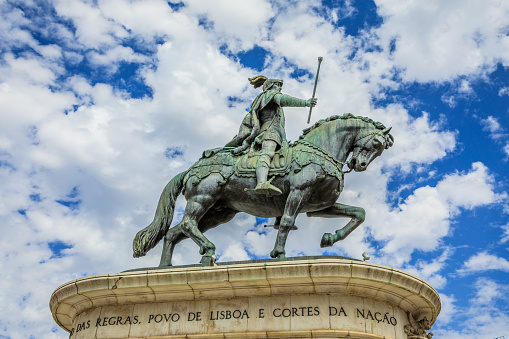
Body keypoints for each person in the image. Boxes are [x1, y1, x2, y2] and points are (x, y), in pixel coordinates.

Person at [225, 75, 317, 196]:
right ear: (270, 86)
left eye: (280, 86)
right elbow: (283, 99)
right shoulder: (268, 95)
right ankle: (261, 182)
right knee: (268, 152)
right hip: (269, 131)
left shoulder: (270, 98)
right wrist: (305, 103)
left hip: (278, 133)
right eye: (277, 85)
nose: (279, 88)